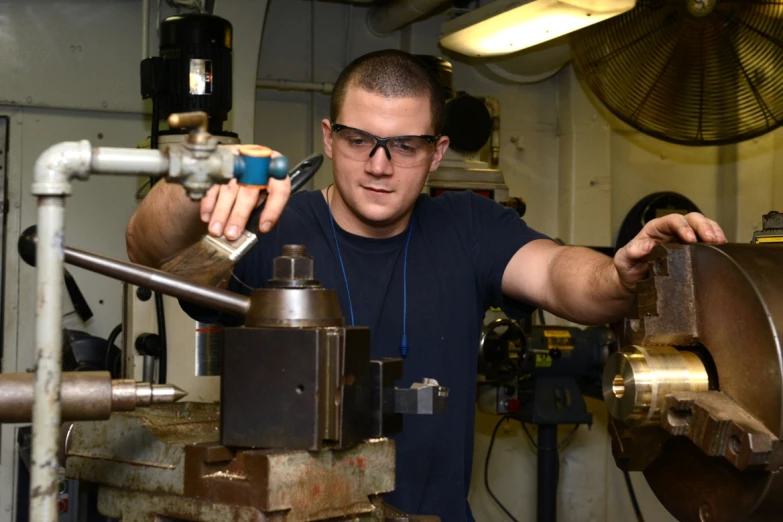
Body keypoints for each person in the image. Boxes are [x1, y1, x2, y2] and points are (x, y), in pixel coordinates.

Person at [126, 49, 726, 520]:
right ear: (330, 136)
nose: (380, 165)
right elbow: (148, 251)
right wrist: (197, 181)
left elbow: (563, 277)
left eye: (405, 146)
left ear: (437, 153)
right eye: (361, 141)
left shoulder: (469, 226)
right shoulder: (272, 221)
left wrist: (618, 272)